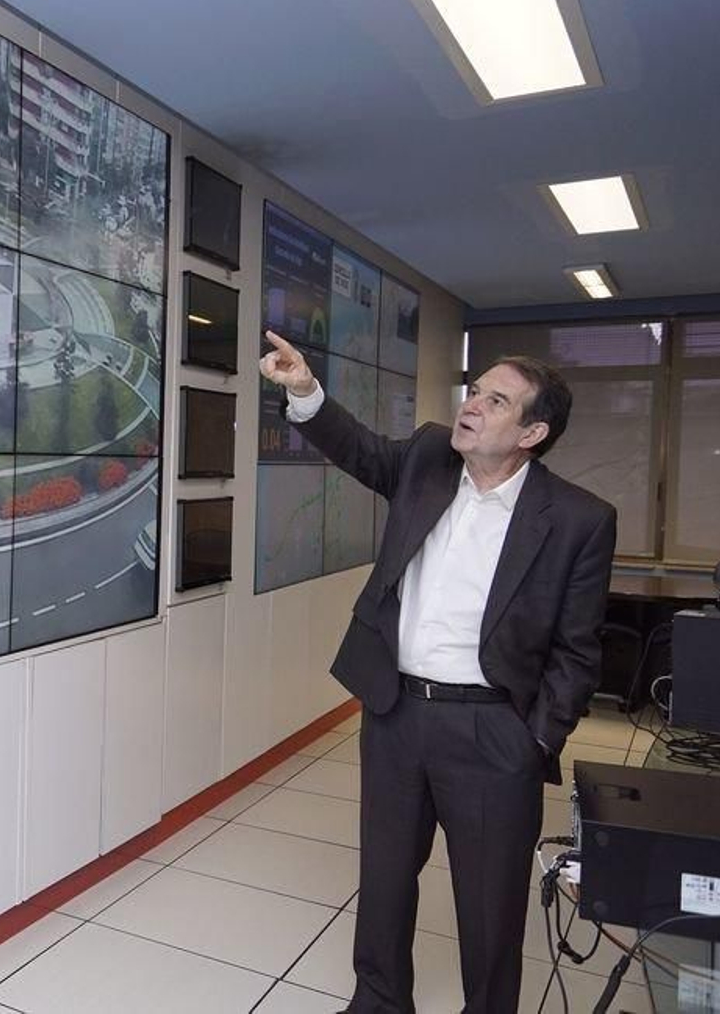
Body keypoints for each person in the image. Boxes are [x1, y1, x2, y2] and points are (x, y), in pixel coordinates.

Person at [259, 331, 616, 1013]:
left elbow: (578, 650)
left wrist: (536, 740)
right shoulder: (427, 457)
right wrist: (304, 389)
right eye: (475, 389)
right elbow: (361, 449)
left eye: (496, 399)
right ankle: (379, 1001)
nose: (473, 404)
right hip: (396, 712)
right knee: (385, 878)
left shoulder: (577, 519)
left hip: (493, 730)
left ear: (533, 431)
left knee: (490, 900)